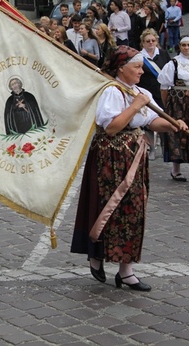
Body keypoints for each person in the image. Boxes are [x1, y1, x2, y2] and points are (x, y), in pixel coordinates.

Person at [71, 46, 187, 292]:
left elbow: (151, 121)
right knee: (107, 208)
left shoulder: (140, 91)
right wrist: (135, 105)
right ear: (121, 68)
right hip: (109, 159)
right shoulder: (112, 91)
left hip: (134, 157)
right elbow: (112, 127)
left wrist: (172, 125)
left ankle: (126, 271)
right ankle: (96, 255)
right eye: (136, 66)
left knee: (133, 211)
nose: (141, 71)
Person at [158, 36, 189, 181]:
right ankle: (175, 169)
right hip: (178, 103)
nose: (186, 48)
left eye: (188, 45)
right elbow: (164, 87)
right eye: (184, 45)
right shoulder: (173, 63)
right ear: (179, 46)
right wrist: (167, 105)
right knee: (177, 133)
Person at [137, 29, 171, 159]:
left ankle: (165, 149)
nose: (151, 43)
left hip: (162, 92)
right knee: (147, 122)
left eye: (153, 40)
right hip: (146, 92)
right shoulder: (139, 56)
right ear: (143, 43)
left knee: (164, 119)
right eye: (148, 41)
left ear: (157, 41)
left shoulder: (163, 54)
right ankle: (151, 148)